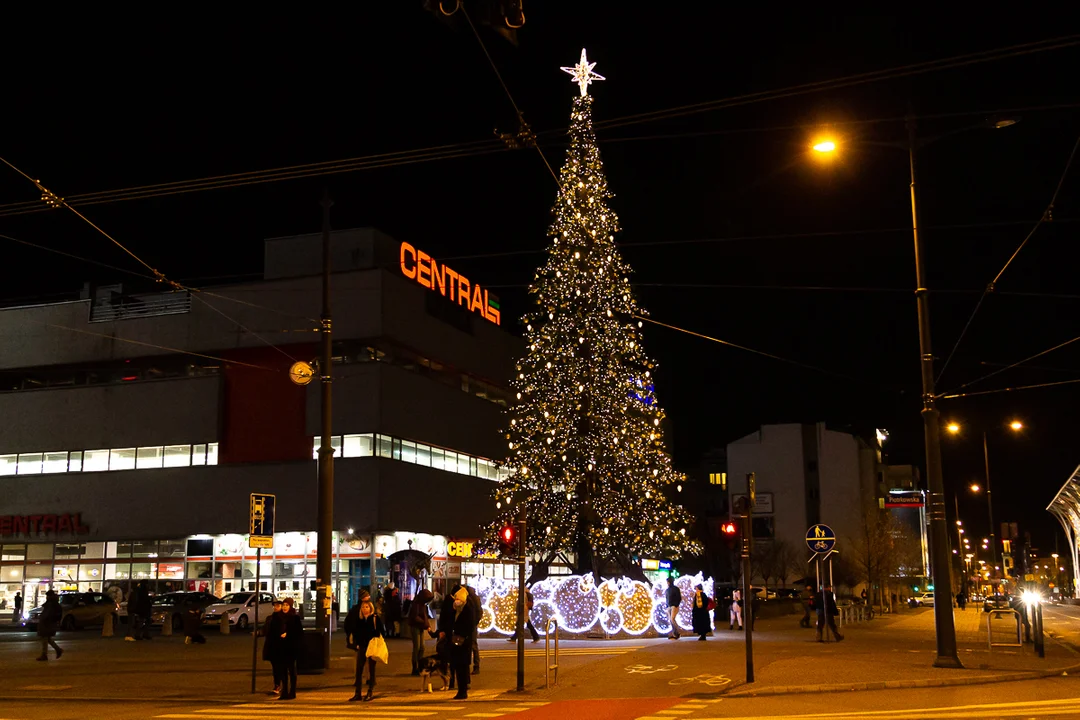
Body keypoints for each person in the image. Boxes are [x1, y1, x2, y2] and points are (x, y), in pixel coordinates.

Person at [345, 591, 385, 702]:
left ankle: (370, 692)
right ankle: (357, 693)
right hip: (362, 646)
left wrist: (374, 635)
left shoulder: (375, 618)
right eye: (363, 607)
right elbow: (355, 631)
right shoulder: (360, 619)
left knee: (371, 670)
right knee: (359, 670)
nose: (365, 609)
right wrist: (356, 643)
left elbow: (381, 632)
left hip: (372, 646)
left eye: (367, 607)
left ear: (370, 608)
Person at [445, 585, 477, 700]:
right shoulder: (460, 608)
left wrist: (462, 636)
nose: (455, 601)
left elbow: (469, 624)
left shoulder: (467, 607)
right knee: (459, 666)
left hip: (463, 641)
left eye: (457, 599)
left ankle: (462, 691)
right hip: (459, 641)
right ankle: (461, 690)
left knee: (462, 666)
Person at [270, 597, 303, 700]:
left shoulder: (295, 618)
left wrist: (288, 634)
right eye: (283, 605)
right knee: (282, 670)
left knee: (292, 670)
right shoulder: (277, 617)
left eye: (287, 605)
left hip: (291, 647)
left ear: (291, 606)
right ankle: (284, 692)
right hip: (281, 647)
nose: (284, 607)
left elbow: (299, 633)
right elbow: (272, 631)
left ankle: (292, 691)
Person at [407, 588, 434, 674]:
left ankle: (419, 665)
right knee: (417, 647)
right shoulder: (416, 604)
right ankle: (415, 667)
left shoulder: (422, 605)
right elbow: (415, 617)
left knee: (422, 647)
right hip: (415, 627)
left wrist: (427, 625)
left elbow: (424, 616)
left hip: (420, 626)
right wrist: (425, 625)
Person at [261, 599, 284, 693]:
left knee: (281, 666)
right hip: (272, 645)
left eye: (278, 606)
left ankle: (281, 685)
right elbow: (265, 630)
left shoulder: (285, 618)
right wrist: (258, 633)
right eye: (275, 606)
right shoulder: (270, 618)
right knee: (275, 667)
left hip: (282, 646)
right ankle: (277, 685)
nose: (276, 607)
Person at [36, 590, 63, 661]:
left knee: (45, 638)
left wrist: (43, 619)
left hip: (47, 623)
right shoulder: (54, 603)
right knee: (47, 638)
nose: (47, 597)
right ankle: (57, 650)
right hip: (50, 623)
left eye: (47, 596)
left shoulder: (51, 604)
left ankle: (44, 655)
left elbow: (47, 614)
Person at [466, 584, 482, 675]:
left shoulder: (471, 598)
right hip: (472, 624)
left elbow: (479, 612)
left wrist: (474, 623)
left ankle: (476, 666)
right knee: (473, 645)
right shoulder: (475, 598)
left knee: (472, 645)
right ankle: (476, 666)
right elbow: (479, 612)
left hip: (471, 625)